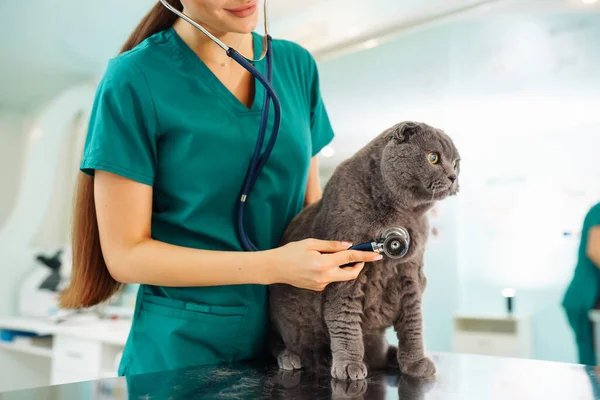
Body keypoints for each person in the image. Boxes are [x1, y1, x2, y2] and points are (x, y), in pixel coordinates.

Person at [58, 0, 382, 376]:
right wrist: (273, 266)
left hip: (294, 344)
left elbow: (314, 212)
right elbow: (125, 256)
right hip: (184, 353)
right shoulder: (135, 77)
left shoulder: (297, 66)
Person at [563, 202, 600, 366]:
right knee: (591, 363)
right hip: (584, 298)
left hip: (591, 298)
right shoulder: (598, 211)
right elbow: (595, 250)